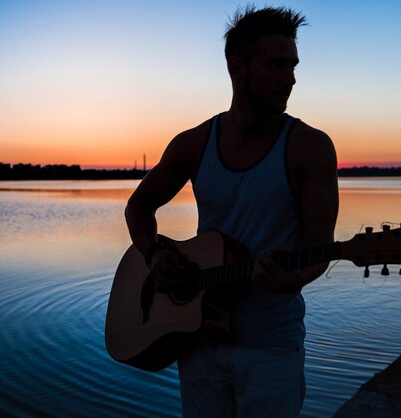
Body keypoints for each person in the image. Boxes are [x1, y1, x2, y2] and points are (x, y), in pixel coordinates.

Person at [124, 6, 338, 418]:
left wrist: (292, 276)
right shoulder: (193, 143)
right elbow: (139, 205)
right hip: (198, 336)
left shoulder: (309, 146)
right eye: (276, 65)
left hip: (270, 346)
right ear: (236, 67)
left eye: (293, 66)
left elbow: (320, 247)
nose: (289, 78)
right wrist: (154, 254)